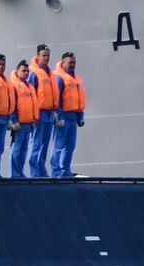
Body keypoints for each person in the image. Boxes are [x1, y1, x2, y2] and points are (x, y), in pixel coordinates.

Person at [51, 51, 87, 178]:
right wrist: (59, 116)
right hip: (63, 117)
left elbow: (79, 98)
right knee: (59, 145)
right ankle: (56, 172)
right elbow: (57, 99)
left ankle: (65, 171)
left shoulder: (76, 79)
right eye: (70, 62)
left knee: (70, 146)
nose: (72, 65)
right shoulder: (59, 78)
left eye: (74, 62)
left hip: (73, 117)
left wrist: (80, 116)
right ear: (63, 62)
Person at [27, 44, 59, 178]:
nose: (46, 58)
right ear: (38, 56)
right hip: (39, 114)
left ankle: (41, 169)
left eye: (48, 55)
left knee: (45, 144)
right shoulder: (33, 73)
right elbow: (30, 94)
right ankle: (34, 172)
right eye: (44, 55)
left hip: (49, 114)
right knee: (36, 143)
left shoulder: (50, 73)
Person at [8, 60, 38, 178]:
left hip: (28, 124)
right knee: (16, 150)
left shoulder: (29, 86)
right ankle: (14, 174)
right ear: (17, 71)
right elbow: (12, 104)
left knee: (24, 151)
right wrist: (14, 121)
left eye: (27, 71)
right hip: (19, 124)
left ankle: (19, 172)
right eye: (23, 71)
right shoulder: (14, 85)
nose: (26, 73)